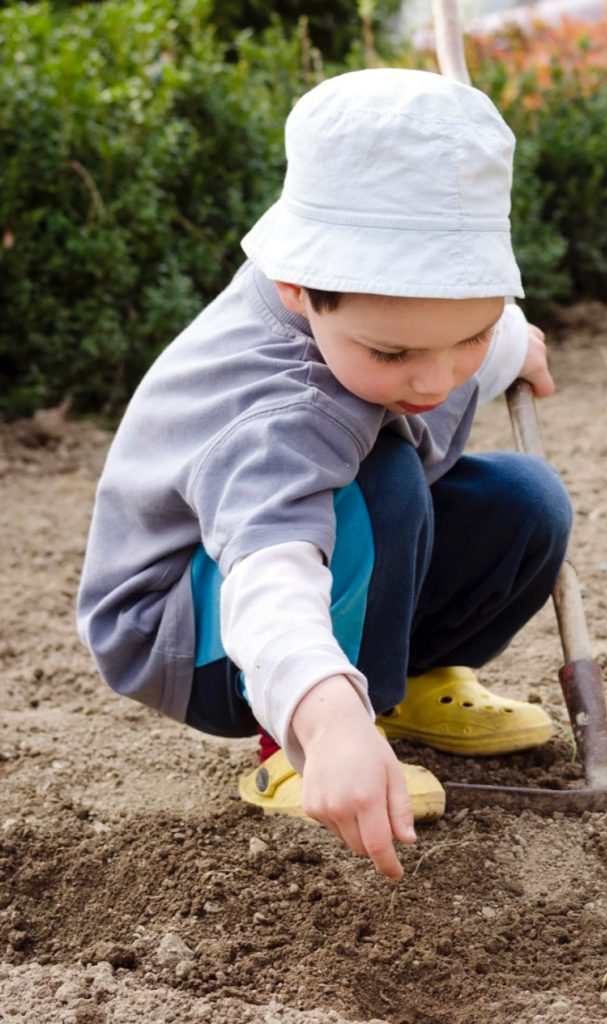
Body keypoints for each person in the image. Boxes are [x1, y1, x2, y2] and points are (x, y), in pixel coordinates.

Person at [77, 68, 572, 882]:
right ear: (297, 289)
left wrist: (508, 346)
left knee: (525, 501)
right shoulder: (280, 415)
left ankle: (403, 684)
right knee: (382, 479)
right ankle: (299, 743)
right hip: (198, 627)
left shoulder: (409, 329)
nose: (434, 380)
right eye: (394, 353)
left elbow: (444, 336)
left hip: (328, 559)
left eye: (470, 335)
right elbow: (269, 577)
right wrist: (330, 720)